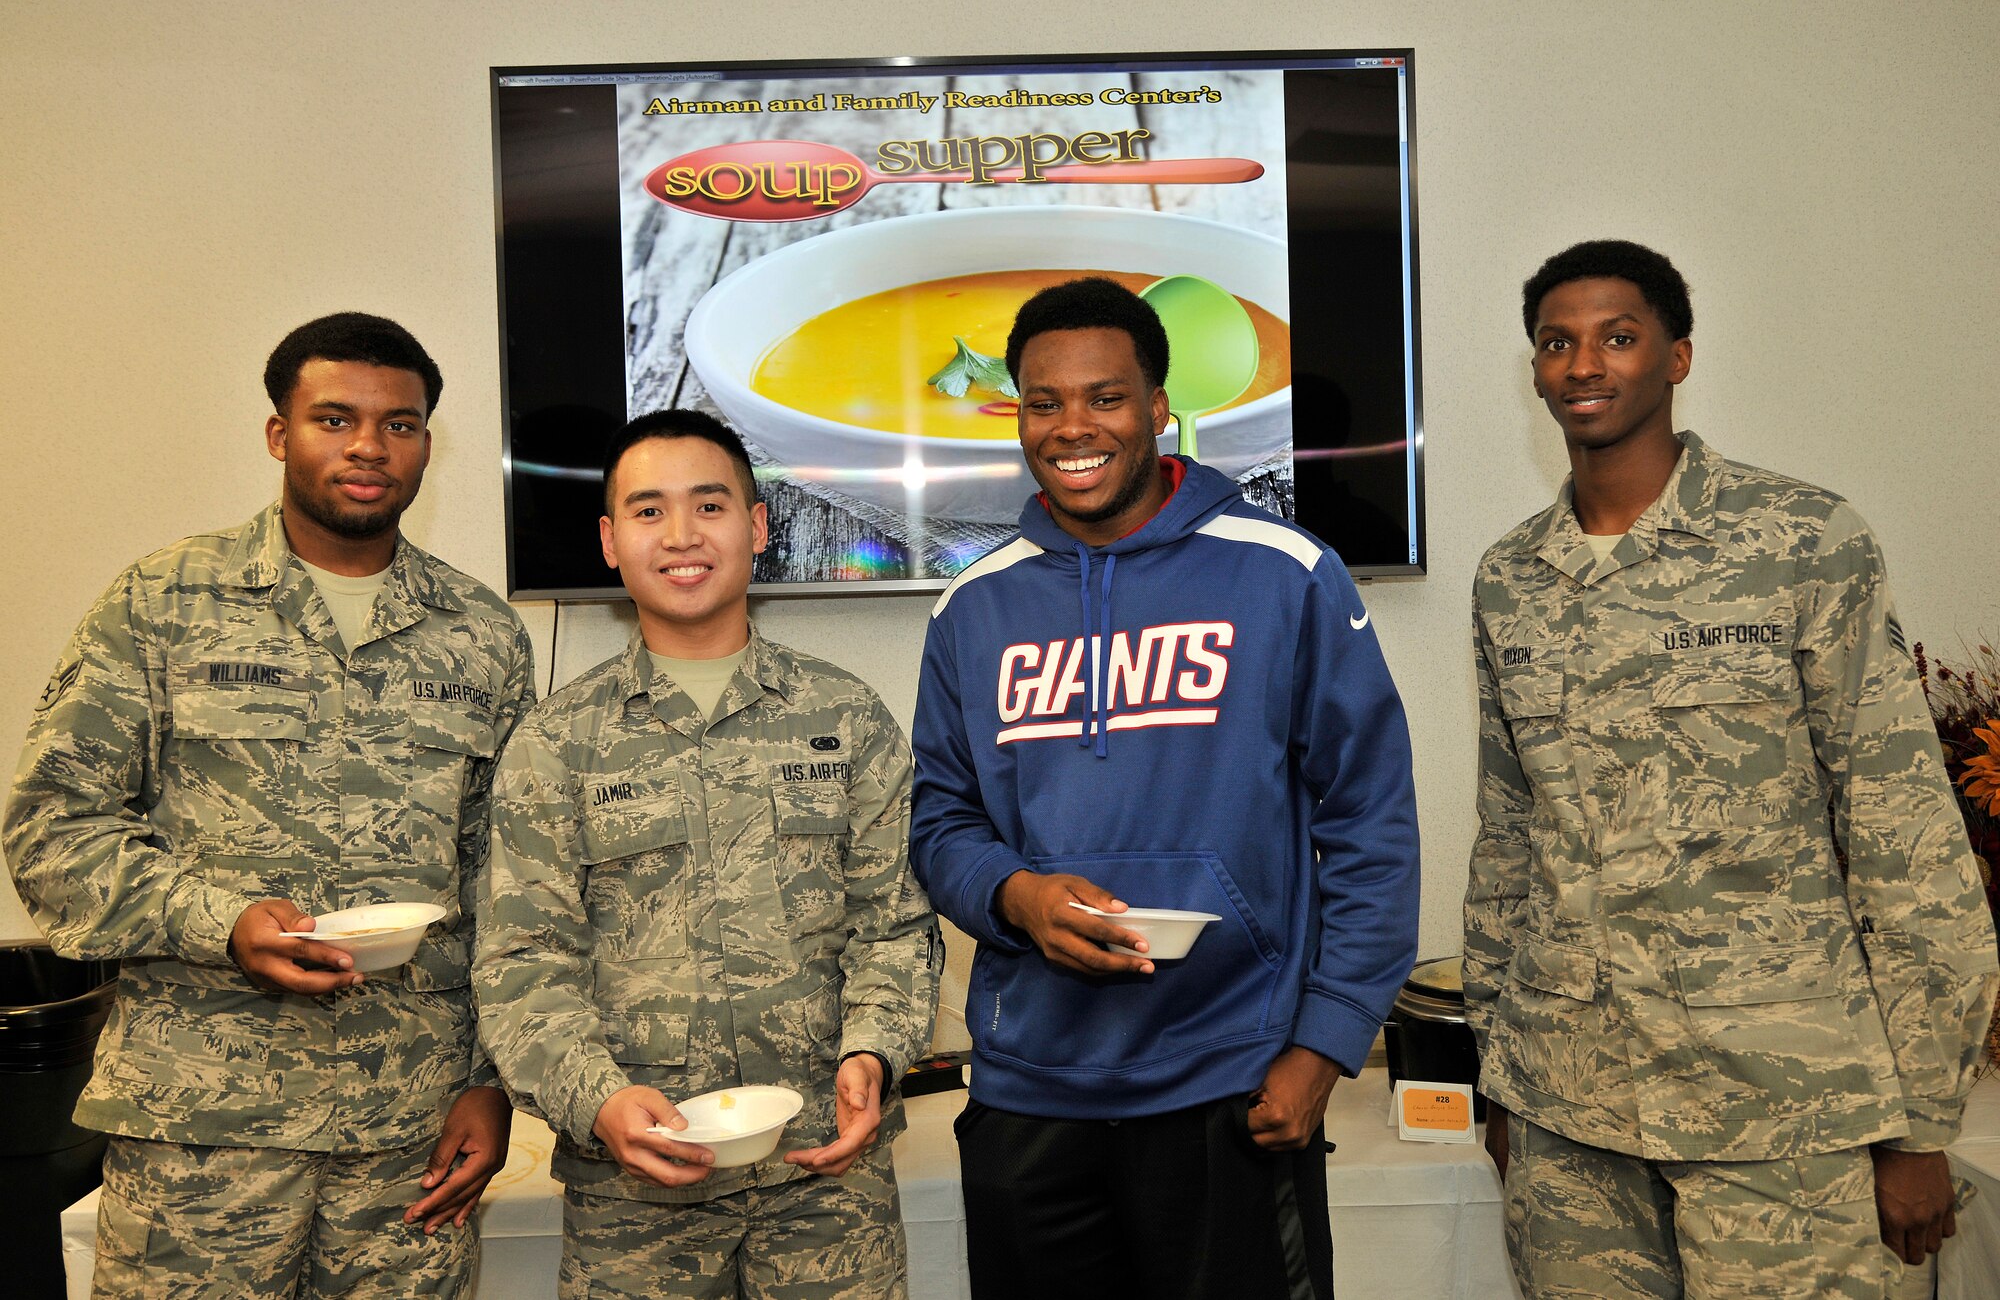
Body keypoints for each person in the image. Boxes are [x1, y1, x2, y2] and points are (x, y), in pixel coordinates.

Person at [1463, 240, 2000, 1298]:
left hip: (1786, 1114)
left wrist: (1919, 1124)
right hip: (1570, 1111)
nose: (1583, 365)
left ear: (1676, 356)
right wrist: (1502, 1075)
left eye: (1617, 337)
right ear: (1532, 370)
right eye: (1555, 343)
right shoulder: (1508, 577)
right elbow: (1508, 836)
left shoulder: (1800, 541)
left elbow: (1902, 833)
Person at [3, 312, 537, 1297]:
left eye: (401, 424)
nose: (369, 447)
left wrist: (490, 1079)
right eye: (335, 418)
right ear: (278, 432)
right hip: (202, 1136)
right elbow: (53, 825)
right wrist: (222, 921)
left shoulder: (482, 636)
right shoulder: (162, 602)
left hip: (405, 1141)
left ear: (427, 440)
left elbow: (509, 883)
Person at [909, 276, 1421, 1300]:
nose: (1071, 428)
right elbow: (940, 817)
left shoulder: (1283, 573)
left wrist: (1325, 1041)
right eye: (1042, 403)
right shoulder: (972, 605)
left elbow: (1369, 822)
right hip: (1030, 1094)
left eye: (1103, 397)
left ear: (1156, 408)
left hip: (1229, 1081)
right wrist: (1014, 897)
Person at [474, 408, 940, 1300]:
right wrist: (598, 1099)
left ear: (758, 527)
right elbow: (523, 962)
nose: (682, 535)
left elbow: (895, 924)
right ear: (610, 541)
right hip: (632, 1198)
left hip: (824, 1180)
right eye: (648, 512)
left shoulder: (845, 719)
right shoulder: (556, 742)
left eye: (710, 506)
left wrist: (875, 1052)